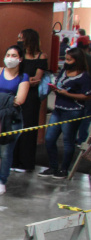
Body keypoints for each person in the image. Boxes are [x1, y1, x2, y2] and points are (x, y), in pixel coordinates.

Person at [40, 48, 91, 179]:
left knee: (68, 141)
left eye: (69, 59)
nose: (66, 62)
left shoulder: (84, 77)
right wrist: (55, 88)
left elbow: (86, 96)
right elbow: (58, 83)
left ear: (77, 61)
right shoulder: (64, 71)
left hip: (73, 112)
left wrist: (67, 94)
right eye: (66, 59)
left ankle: (64, 170)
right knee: (49, 138)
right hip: (58, 108)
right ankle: (53, 166)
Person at [0, 46, 30, 195]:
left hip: (12, 120)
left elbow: (20, 100)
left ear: (20, 59)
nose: (10, 58)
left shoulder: (23, 77)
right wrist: (8, 98)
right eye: (8, 54)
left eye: (14, 55)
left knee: (6, 152)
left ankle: (1, 181)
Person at [11, 28, 48, 174]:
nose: (19, 40)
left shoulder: (41, 56)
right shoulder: (18, 55)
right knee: (14, 127)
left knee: (28, 128)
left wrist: (24, 81)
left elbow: (37, 80)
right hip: (16, 94)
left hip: (31, 98)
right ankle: (13, 160)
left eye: (21, 37)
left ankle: (26, 162)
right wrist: (26, 80)